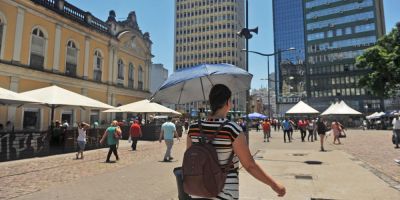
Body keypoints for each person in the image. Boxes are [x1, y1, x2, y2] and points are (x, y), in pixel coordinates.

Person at [186, 84, 285, 199]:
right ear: (228, 102)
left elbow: (191, 159)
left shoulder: (193, 128)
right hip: (224, 193)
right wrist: (274, 185)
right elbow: (249, 165)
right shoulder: (231, 129)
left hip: (197, 192)